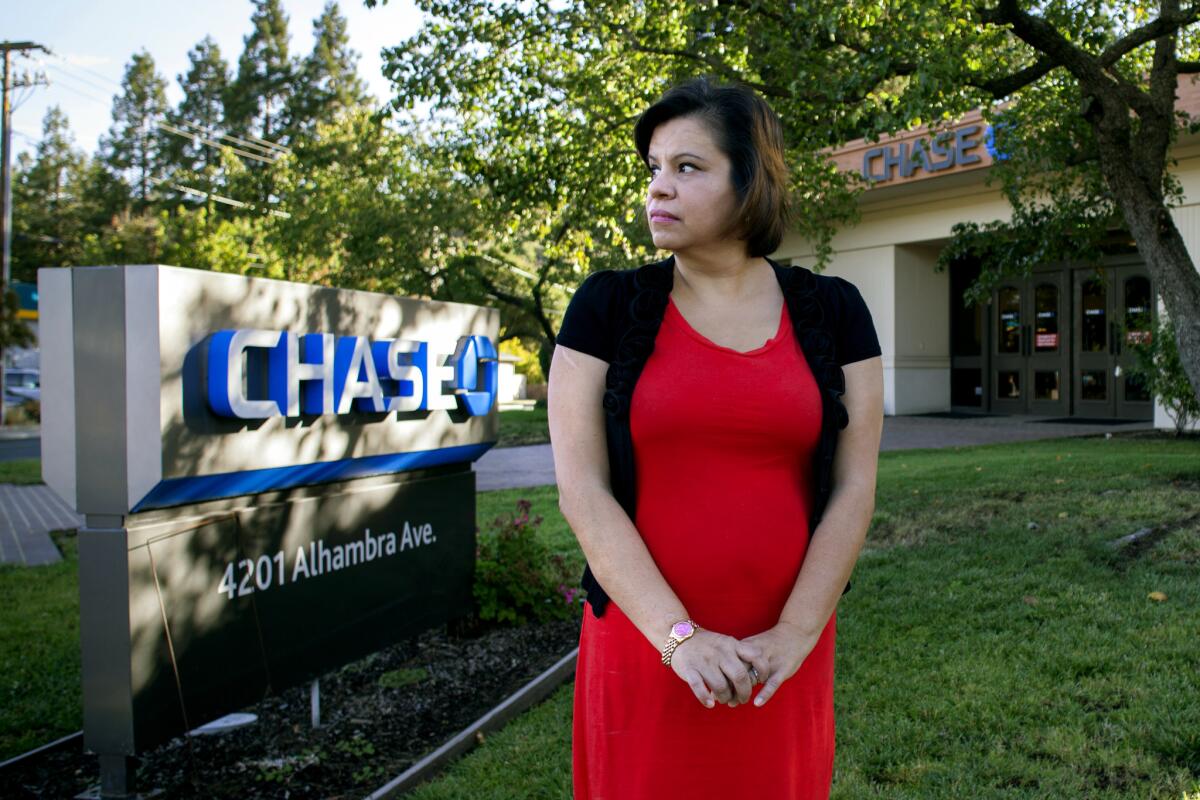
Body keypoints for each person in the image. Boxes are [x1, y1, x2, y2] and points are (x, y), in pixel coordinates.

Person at [548, 76, 884, 799]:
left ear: (750, 181)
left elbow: (856, 486)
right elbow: (582, 489)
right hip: (644, 641)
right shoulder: (606, 308)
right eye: (654, 170)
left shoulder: (836, 313)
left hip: (781, 651)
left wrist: (795, 633)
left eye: (687, 168)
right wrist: (679, 640)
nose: (657, 189)